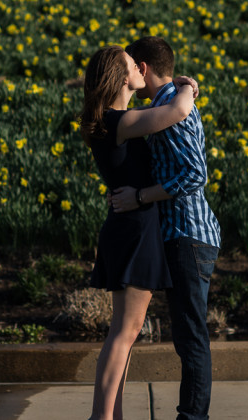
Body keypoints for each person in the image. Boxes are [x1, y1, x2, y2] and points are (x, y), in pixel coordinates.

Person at [80, 45, 199, 420]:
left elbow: (155, 114)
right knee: (124, 334)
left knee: (125, 333)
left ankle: (111, 416)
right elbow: (178, 111)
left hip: (130, 230)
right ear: (121, 77)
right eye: (134, 66)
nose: (141, 70)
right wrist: (188, 88)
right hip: (134, 232)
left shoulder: (117, 120)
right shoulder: (118, 123)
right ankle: (101, 417)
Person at [110, 36, 221, 420]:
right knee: (187, 335)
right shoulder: (172, 101)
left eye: (130, 67)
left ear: (142, 69)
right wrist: (189, 87)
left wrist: (141, 196)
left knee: (190, 336)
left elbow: (195, 175)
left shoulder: (172, 107)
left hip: (188, 236)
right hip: (184, 235)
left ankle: (193, 417)